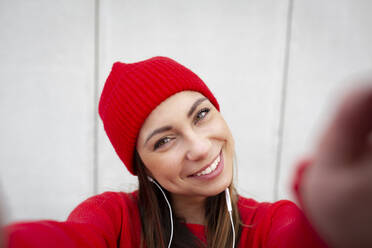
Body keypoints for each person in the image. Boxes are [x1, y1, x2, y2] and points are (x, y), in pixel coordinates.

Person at [3, 56, 372, 247]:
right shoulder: (112, 222)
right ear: (141, 166)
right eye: (164, 140)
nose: (198, 146)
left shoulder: (271, 225)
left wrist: (326, 230)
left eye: (201, 114)